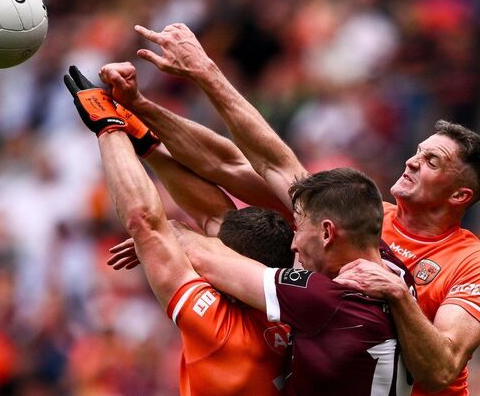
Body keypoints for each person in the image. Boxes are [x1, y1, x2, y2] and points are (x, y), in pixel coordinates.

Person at [112, 22, 480, 395]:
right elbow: (246, 165)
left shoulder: (473, 264)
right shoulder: (366, 221)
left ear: (459, 196)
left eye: (432, 161)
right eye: (418, 152)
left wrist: (399, 297)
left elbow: (441, 371)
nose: (412, 161)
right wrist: (146, 106)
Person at [62, 65, 296, 396]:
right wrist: (142, 139)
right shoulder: (304, 304)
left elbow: (144, 223)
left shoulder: (220, 332)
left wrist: (108, 126)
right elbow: (214, 215)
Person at [171, 167, 414, 396]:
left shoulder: (324, 299)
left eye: (298, 228)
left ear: (327, 232)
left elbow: (206, 257)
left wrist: (171, 230)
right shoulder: (397, 271)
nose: (293, 244)